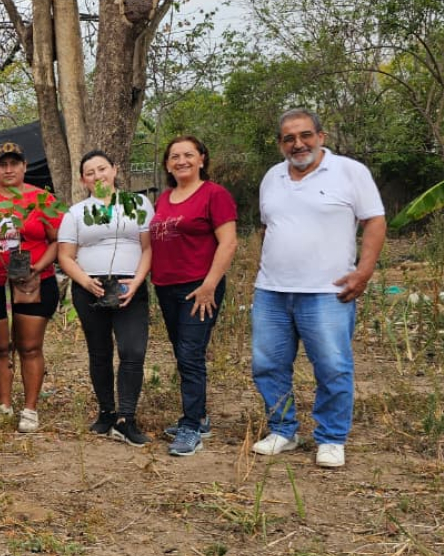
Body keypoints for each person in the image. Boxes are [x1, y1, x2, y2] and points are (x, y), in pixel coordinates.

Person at [251, 109, 386, 469]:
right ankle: (283, 430)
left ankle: (331, 437)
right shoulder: (272, 177)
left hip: (328, 291)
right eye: (289, 138)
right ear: (281, 144)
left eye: (305, 135)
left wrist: (365, 270)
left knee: (332, 366)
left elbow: (374, 220)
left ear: (321, 136)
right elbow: (270, 227)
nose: (298, 144)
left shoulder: (349, 172)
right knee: (268, 365)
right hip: (272, 291)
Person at [57, 151, 154, 445]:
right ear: (83, 179)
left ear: (115, 169)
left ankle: (127, 418)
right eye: (90, 172)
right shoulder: (76, 213)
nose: (98, 176)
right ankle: (106, 412)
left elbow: (147, 248)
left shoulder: (137, 204)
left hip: (129, 288)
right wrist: (86, 282)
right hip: (90, 289)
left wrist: (137, 281)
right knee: (99, 352)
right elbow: (65, 256)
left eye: (103, 169)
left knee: (132, 350)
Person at [150, 135, 238, 457]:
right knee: (182, 352)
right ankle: (199, 416)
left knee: (190, 354)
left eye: (189, 154)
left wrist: (209, 285)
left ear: (202, 159)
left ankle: (190, 426)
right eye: (175, 156)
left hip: (199, 288)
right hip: (165, 286)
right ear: (167, 164)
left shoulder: (215, 195)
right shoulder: (163, 199)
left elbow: (228, 243)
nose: (181, 161)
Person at [0, 143, 62, 432]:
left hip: (34, 280)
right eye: (3, 165)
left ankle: (30, 409)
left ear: (24, 166)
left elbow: (58, 240)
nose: (9, 169)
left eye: (14, 163)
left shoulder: (42, 198)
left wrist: (38, 267)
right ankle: (5, 405)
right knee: (1, 346)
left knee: (30, 346)